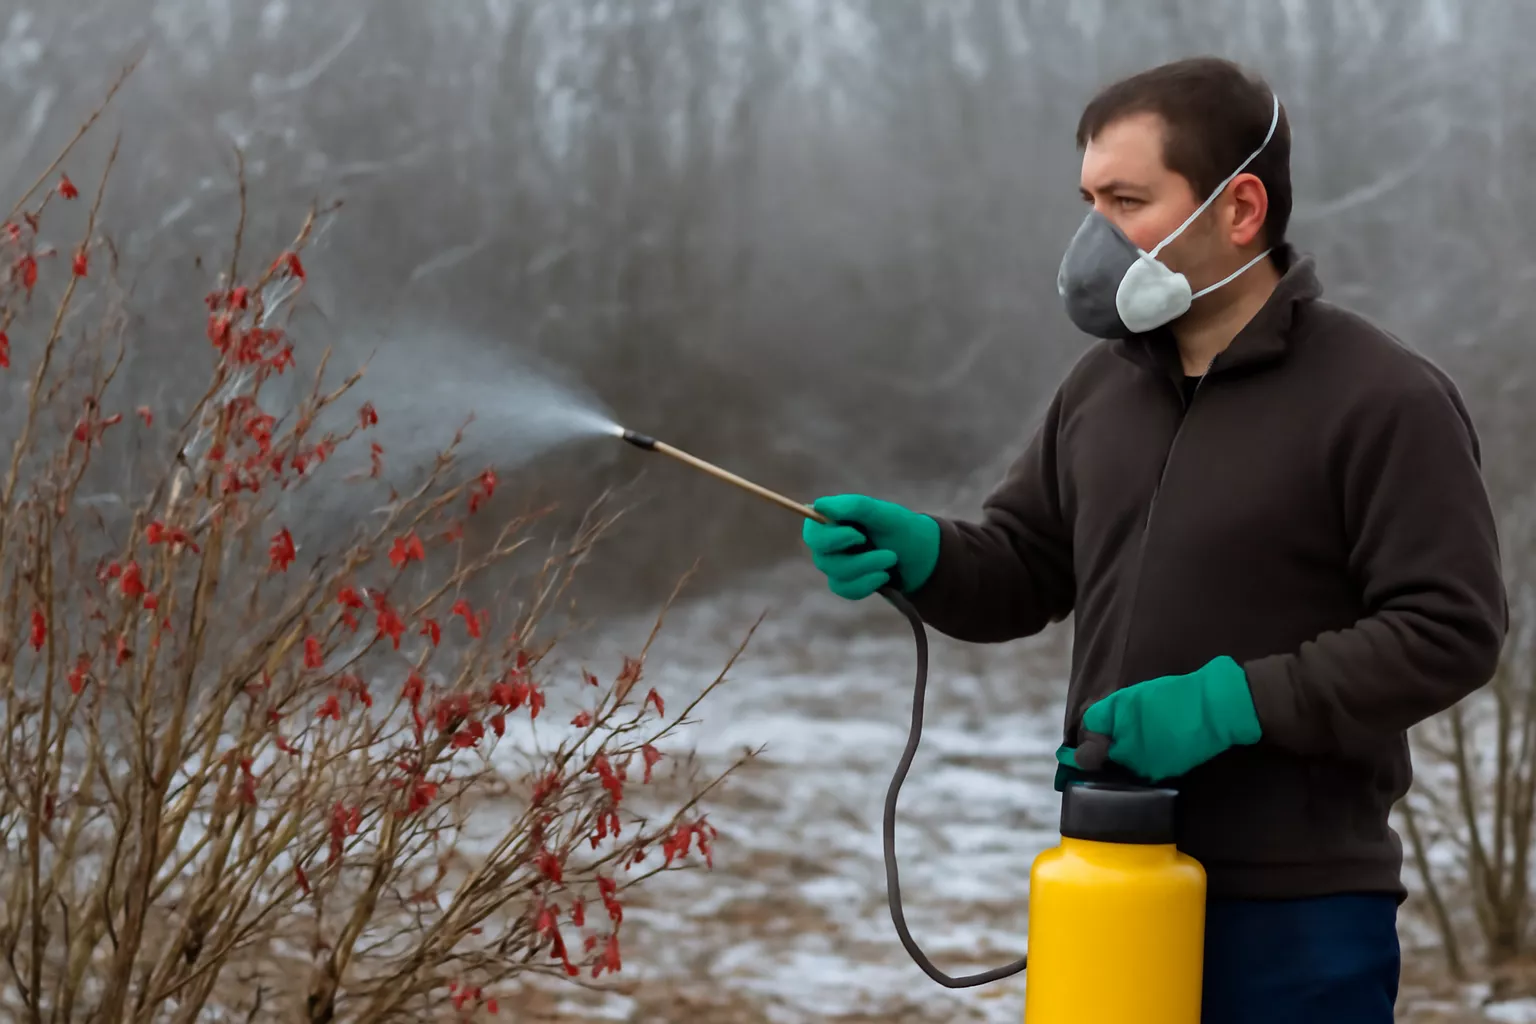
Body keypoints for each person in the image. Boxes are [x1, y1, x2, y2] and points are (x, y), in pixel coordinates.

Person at [800, 56, 1507, 1023]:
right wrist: (924, 554)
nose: (1095, 236)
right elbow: (1022, 566)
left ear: (1240, 208)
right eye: (1089, 199)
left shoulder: (1383, 398)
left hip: (1297, 915)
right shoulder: (1101, 389)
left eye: (1127, 199)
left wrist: (1230, 705)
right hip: (1108, 881)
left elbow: (1450, 630)